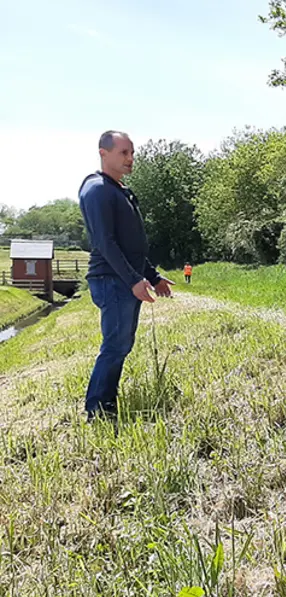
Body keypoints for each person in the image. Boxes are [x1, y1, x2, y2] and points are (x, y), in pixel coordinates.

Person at [78, 130, 175, 421]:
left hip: (122, 277)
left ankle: (105, 400)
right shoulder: (97, 189)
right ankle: (98, 408)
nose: (130, 159)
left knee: (121, 344)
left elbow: (130, 245)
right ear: (103, 153)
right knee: (115, 345)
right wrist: (134, 280)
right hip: (111, 279)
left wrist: (152, 276)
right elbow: (106, 242)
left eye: (132, 153)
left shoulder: (118, 190)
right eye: (123, 153)